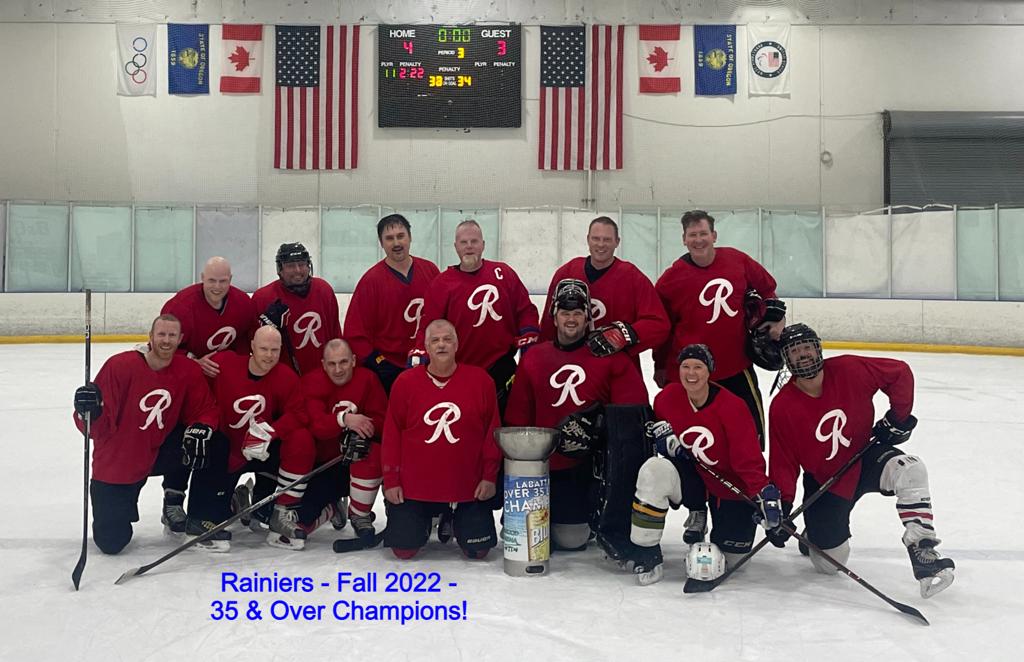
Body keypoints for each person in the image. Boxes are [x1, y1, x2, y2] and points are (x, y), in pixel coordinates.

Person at [767, 323, 955, 598]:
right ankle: (814, 537)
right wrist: (782, 506)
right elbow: (783, 462)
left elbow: (899, 372)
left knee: (910, 469)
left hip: (864, 458)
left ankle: (922, 548)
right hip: (825, 481)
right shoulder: (782, 406)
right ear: (786, 358)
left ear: (818, 348)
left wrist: (898, 418)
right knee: (830, 565)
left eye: (807, 347)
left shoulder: (848, 369)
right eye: (795, 350)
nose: (803, 354)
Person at [653, 209, 787, 542]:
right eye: (691, 235)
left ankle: (754, 496)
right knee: (688, 444)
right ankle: (697, 507)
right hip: (691, 378)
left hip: (735, 369)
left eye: (703, 233)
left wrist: (771, 318)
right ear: (683, 239)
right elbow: (662, 328)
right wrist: (661, 365)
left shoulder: (738, 261)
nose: (698, 240)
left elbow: (769, 291)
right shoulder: (671, 280)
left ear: (714, 235)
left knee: (750, 440)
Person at [505, 279, 649, 552]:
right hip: (544, 466)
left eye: (577, 313)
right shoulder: (534, 358)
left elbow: (635, 415)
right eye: (565, 313)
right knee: (527, 537)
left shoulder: (610, 357)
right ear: (554, 317)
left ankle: (591, 513)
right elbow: (517, 419)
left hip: (587, 467)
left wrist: (600, 426)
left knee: (572, 539)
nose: (571, 320)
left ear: (587, 318)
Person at [627, 344, 782, 585]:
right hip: (691, 480)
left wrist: (762, 494)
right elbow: (658, 436)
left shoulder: (734, 407)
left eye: (698, 367)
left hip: (727, 486)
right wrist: (663, 441)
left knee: (735, 559)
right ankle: (646, 550)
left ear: (709, 371)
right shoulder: (666, 398)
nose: (691, 373)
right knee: (653, 470)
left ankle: (708, 515)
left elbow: (748, 460)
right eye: (685, 367)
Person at [71, 314, 218, 554]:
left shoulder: (188, 369)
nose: (166, 340)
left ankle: (186, 503)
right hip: (120, 460)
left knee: (208, 441)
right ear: (150, 337)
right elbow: (97, 430)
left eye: (172, 335)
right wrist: (88, 411)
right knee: (111, 542)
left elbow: (204, 409)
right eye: (161, 334)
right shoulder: (119, 366)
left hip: (160, 451)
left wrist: (202, 426)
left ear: (180, 339)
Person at [185, 325, 316, 551]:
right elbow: (195, 389)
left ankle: (282, 512)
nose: (269, 355)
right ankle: (198, 518)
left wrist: (270, 433)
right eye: (264, 349)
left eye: (274, 350)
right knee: (210, 442)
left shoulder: (285, 376)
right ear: (252, 347)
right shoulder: (224, 363)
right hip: (227, 451)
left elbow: (299, 414)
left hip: (260, 450)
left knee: (301, 439)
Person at [382, 319, 501, 560]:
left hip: (467, 486)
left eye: (447, 339)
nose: (441, 345)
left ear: (457, 344)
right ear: (425, 347)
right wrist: (391, 479)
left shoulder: (481, 381)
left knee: (478, 551)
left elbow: (492, 433)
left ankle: (453, 518)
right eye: (435, 340)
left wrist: (489, 476)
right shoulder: (405, 383)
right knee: (403, 550)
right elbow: (392, 434)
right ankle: (427, 519)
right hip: (415, 486)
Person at [413, 220, 540, 415]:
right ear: (456, 247)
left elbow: (525, 310)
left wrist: (529, 337)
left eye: (474, 241)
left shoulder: (503, 273)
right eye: (464, 242)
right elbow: (430, 325)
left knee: (506, 423)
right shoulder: (442, 283)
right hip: (461, 369)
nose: (469, 246)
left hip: (502, 366)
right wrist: (420, 353)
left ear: (483, 245)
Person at [540, 216, 669, 365]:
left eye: (607, 240)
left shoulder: (633, 277)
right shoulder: (567, 272)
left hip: (618, 367)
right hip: (572, 365)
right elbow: (549, 325)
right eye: (596, 238)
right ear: (588, 239)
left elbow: (659, 324)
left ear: (617, 242)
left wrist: (625, 334)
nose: (601, 245)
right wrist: (543, 362)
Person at [300, 338, 388, 546]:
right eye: (332, 364)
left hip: (358, 464)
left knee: (370, 451)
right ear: (323, 364)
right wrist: (344, 420)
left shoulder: (369, 379)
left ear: (354, 361)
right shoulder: (311, 382)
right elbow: (317, 426)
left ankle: (359, 514)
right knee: (302, 522)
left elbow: (384, 422)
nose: (338, 369)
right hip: (324, 464)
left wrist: (366, 429)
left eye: (343, 362)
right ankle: (332, 509)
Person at [344, 214, 440, 393]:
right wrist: (378, 362)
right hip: (390, 367)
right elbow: (354, 332)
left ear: (410, 237)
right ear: (381, 243)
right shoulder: (371, 281)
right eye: (389, 238)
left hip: (429, 362)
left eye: (400, 236)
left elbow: (443, 317)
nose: (396, 243)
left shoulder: (431, 271)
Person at [252, 242, 342, 376]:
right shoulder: (263, 298)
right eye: (290, 266)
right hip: (282, 380)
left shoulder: (324, 290)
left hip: (322, 377)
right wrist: (267, 329)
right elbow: (252, 346)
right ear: (280, 269)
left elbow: (335, 336)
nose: (298, 270)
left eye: (302, 264)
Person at [160, 256, 255, 378]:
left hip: (223, 373)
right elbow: (162, 347)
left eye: (223, 281)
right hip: (186, 374)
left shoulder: (243, 303)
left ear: (230, 279)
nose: (217, 287)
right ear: (202, 278)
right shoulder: (179, 308)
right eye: (211, 280)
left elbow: (247, 338)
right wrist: (194, 363)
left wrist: (240, 365)